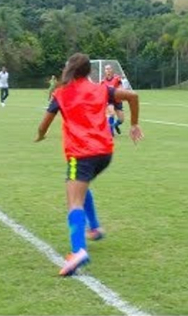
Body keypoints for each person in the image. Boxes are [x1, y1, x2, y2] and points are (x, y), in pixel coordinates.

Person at [35, 53, 143, 276]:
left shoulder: (61, 93)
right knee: (82, 187)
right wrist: (134, 124)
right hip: (105, 152)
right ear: (88, 71)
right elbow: (133, 96)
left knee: (73, 201)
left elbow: (44, 124)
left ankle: (78, 251)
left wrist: (40, 135)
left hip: (81, 154)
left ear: (69, 69)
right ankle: (94, 227)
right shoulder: (101, 89)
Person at [100, 65, 125, 136]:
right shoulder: (103, 81)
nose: (108, 70)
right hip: (109, 100)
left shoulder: (117, 79)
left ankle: (115, 125)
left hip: (117, 100)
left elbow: (121, 87)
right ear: (105, 71)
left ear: (112, 70)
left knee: (121, 120)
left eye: (109, 69)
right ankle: (111, 133)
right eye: (106, 69)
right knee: (111, 113)